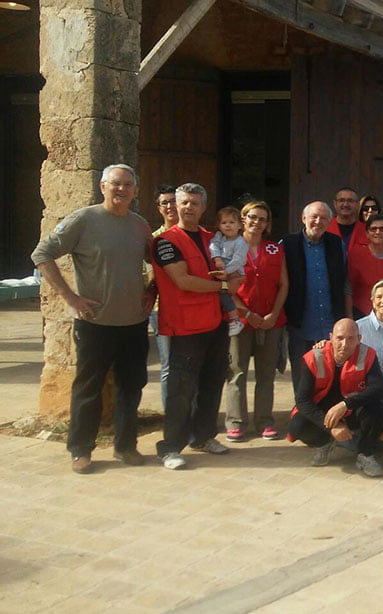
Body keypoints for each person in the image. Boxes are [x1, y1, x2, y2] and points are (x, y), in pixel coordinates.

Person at [32, 163, 154, 473]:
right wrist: (70, 297)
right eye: (115, 183)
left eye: (128, 185)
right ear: (103, 186)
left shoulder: (140, 226)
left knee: (131, 387)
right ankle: (80, 450)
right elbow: (42, 254)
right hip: (94, 324)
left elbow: (158, 263)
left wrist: (151, 291)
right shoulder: (83, 220)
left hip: (133, 324)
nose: (121, 189)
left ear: (135, 191)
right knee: (88, 387)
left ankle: (125, 447)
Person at [152, 182, 239, 470]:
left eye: (194, 203)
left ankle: (203, 436)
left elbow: (236, 268)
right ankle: (170, 447)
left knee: (212, 382)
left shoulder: (210, 237)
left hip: (217, 322)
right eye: (184, 202)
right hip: (186, 326)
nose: (188, 207)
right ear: (175, 206)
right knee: (181, 389)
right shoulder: (166, 241)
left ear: (203, 207)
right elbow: (183, 280)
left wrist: (233, 278)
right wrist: (224, 284)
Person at [223, 200, 288, 443]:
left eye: (262, 218)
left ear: (267, 223)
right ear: (243, 219)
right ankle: (236, 421)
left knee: (266, 375)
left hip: (271, 321)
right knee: (237, 373)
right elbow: (226, 288)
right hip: (239, 320)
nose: (257, 222)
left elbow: (284, 284)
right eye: (252, 217)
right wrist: (247, 313)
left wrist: (273, 314)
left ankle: (264, 421)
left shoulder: (275, 249)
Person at [288, 318, 383, 478]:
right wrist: (331, 427)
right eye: (339, 338)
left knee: (376, 408)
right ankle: (324, 443)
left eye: (351, 338)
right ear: (330, 337)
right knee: (298, 425)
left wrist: (345, 404)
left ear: (359, 339)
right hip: (323, 409)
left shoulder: (367, 354)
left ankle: (365, 454)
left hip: (351, 407)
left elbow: (378, 388)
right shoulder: (313, 357)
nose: (345, 344)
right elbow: (302, 400)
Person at [283, 201, 350, 395]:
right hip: (300, 322)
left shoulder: (336, 244)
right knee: (301, 371)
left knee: (329, 371)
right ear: (304, 218)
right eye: (314, 217)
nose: (318, 221)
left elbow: (343, 281)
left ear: (330, 222)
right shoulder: (288, 243)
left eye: (323, 218)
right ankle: (303, 414)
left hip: (329, 322)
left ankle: (326, 413)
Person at [150, 184, 178, 409]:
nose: (170, 206)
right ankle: (171, 415)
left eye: (174, 200)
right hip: (162, 309)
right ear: (159, 208)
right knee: (168, 365)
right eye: (165, 202)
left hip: (191, 308)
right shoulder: (153, 239)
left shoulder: (193, 234)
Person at [209, 206, 247, 336]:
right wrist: (217, 258)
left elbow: (239, 260)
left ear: (240, 226)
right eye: (224, 223)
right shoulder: (220, 237)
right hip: (221, 269)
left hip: (233, 271)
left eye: (231, 222)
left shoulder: (240, 242)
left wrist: (227, 271)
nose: (228, 226)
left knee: (224, 293)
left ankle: (235, 319)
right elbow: (213, 245)